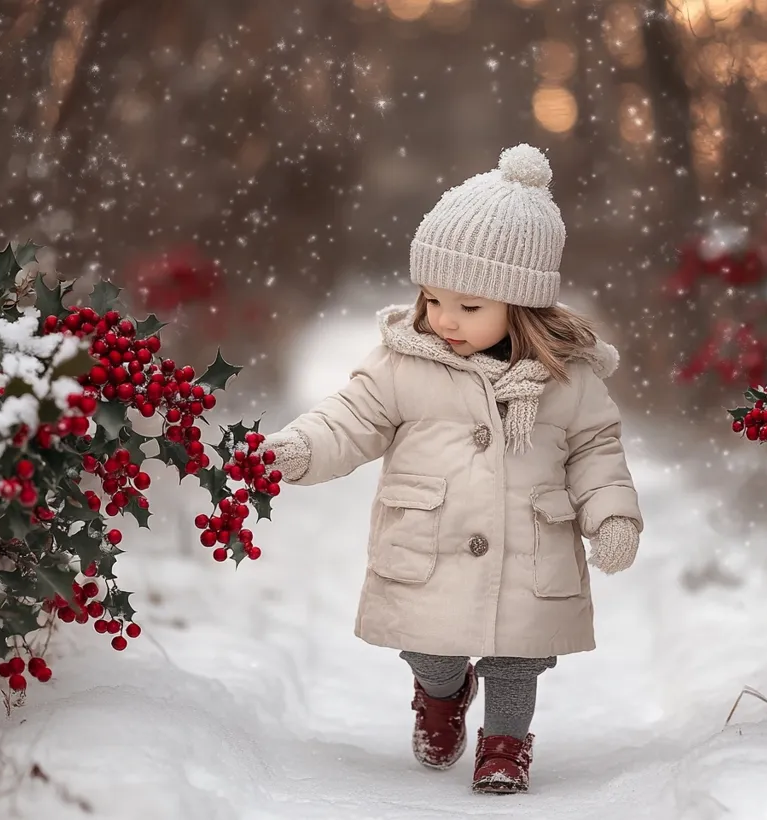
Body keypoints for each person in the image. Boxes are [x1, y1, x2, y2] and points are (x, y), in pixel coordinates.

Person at [264, 144, 643, 795]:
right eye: (433, 298)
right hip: (429, 542)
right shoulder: (403, 363)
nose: (444, 320)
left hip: (530, 547)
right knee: (430, 646)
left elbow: (596, 451)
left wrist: (611, 514)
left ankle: (505, 744)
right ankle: (442, 691)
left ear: (521, 306)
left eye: (468, 307)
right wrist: (295, 450)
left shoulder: (566, 378)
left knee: (517, 658)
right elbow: (350, 418)